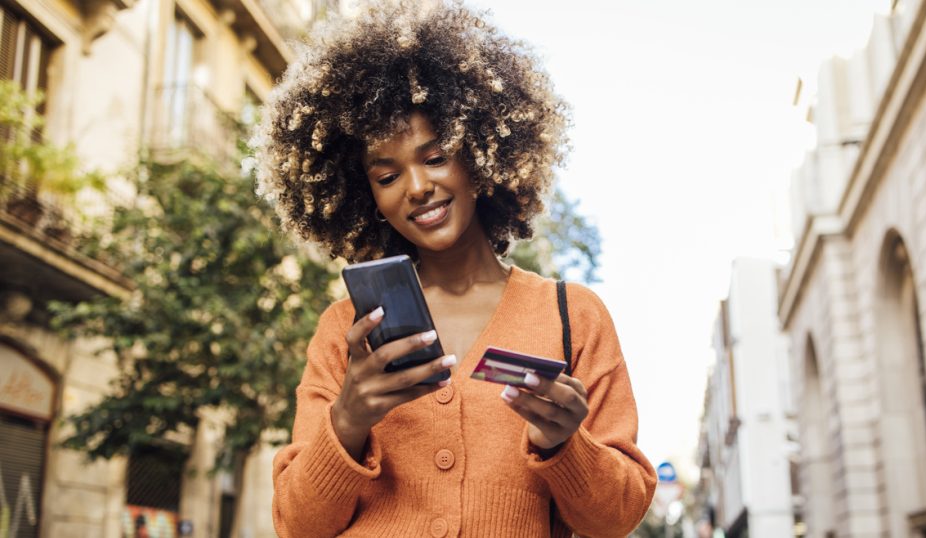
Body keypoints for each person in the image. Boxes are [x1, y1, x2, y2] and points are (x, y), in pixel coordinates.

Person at [252, 2, 656, 536]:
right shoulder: (346, 330)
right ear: (368, 197)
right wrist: (348, 419)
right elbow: (297, 525)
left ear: (481, 157)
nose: (418, 187)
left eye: (436, 157)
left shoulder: (572, 315)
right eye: (387, 176)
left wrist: (564, 444)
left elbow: (617, 517)